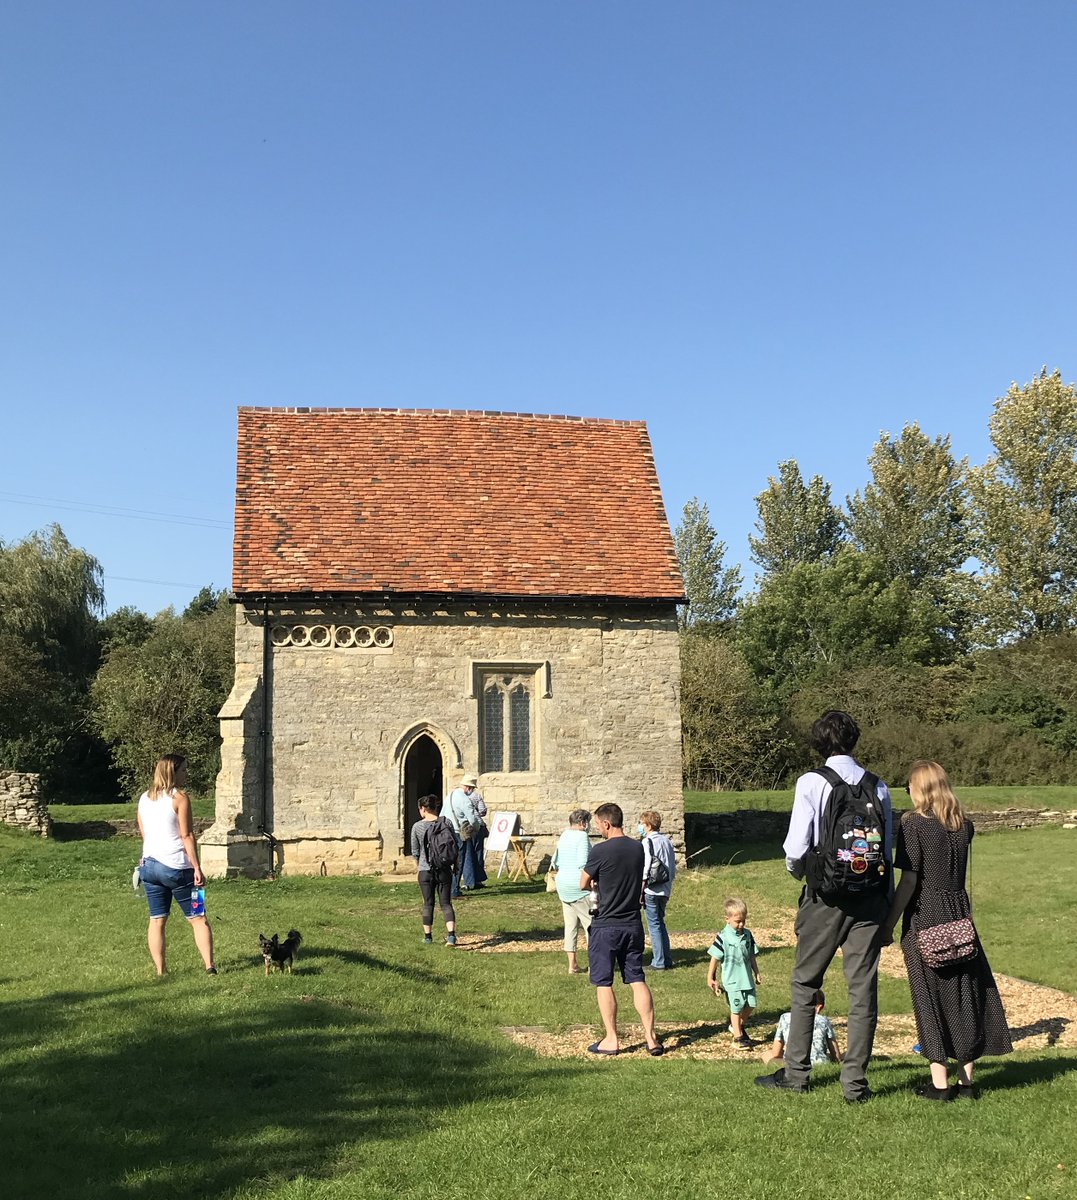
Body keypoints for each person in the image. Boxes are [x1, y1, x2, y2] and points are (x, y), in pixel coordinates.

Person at [756, 710, 892, 1102]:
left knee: (805, 983)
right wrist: (884, 898)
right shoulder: (878, 786)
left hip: (826, 897)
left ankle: (796, 1074)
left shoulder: (812, 782)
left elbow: (796, 847)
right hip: (869, 896)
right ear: (854, 740)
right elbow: (886, 847)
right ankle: (855, 1085)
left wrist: (805, 874)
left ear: (820, 742)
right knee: (862, 990)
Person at [880, 760, 1012, 1100]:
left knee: (929, 998)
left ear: (920, 788)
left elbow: (909, 880)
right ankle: (967, 1083)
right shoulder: (962, 825)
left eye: (909, 785)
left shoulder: (913, 825)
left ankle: (939, 1084)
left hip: (925, 916)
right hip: (959, 915)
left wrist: (889, 925)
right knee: (966, 996)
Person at [580, 802, 663, 1056]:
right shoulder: (638, 847)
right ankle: (651, 1038)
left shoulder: (600, 850)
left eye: (598, 825)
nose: (598, 830)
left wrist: (596, 880)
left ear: (606, 823)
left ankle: (611, 1039)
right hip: (632, 922)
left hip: (606, 923)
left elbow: (583, 881)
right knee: (637, 978)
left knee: (604, 982)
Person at [136, 754, 216, 976]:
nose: (186, 774)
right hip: (178, 869)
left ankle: (161, 971)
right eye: (184, 771)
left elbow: (143, 832)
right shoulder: (180, 798)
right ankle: (210, 967)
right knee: (199, 917)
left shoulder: (144, 798)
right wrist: (197, 867)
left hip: (149, 867)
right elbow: (187, 835)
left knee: (157, 919)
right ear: (173, 772)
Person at [706, 897, 762, 1049]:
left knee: (751, 1004)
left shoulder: (748, 935)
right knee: (736, 1008)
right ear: (727, 919)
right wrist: (711, 977)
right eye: (738, 921)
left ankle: (735, 1026)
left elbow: (751, 955)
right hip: (732, 980)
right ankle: (738, 1037)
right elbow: (715, 957)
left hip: (746, 979)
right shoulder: (723, 937)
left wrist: (756, 972)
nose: (741, 924)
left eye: (743, 920)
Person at [410, 794, 458, 946]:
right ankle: (451, 936)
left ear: (423, 809)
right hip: (444, 868)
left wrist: (420, 865)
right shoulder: (446, 822)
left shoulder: (417, 826)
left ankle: (428, 937)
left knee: (428, 903)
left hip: (425, 870)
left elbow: (415, 851)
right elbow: (454, 845)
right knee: (446, 903)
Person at [551, 809, 593, 974]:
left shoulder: (564, 835)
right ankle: (594, 964)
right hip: (579, 886)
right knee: (591, 926)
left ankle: (572, 964)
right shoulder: (582, 837)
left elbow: (556, 861)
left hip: (563, 884)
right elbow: (584, 863)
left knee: (570, 926)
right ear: (583, 823)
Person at [762, 990, 842, 1066]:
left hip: (793, 1063)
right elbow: (836, 1056)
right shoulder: (823, 1020)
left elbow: (776, 1053)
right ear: (819, 1007)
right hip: (819, 1062)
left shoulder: (785, 1018)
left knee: (767, 1055)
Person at [639, 810, 676, 970]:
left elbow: (646, 866)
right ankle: (666, 959)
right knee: (660, 923)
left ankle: (658, 961)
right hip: (665, 888)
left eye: (641, 823)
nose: (640, 827)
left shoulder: (647, 842)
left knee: (653, 925)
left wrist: (641, 887)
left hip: (652, 889)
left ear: (647, 825)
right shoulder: (667, 841)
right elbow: (672, 866)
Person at [444, 776, 482, 897]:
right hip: (459, 832)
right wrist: (477, 828)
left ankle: (447, 887)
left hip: (447, 831)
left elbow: (442, 814)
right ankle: (454, 890)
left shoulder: (450, 795)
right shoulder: (465, 800)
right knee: (459, 862)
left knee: (449, 861)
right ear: (468, 788)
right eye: (471, 788)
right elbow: (472, 819)